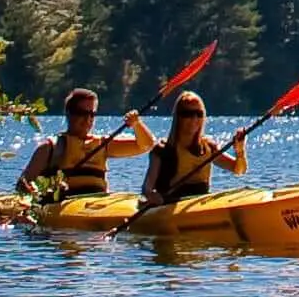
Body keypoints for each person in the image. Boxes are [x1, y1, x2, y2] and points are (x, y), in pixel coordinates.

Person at [16, 88, 149, 195]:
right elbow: (22, 184)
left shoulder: (102, 144)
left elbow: (146, 145)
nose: (87, 119)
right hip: (63, 204)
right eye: (81, 113)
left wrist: (137, 124)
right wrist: (31, 190)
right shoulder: (49, 147)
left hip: (98, 202)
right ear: (69, 113)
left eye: (92, 114)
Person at [140, 87, 252, 210]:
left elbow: (239, 170)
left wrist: (240, 151)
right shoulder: (162, 150)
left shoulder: (208, 147)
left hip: (199, 204)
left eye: (198, 114)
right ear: (178, 117)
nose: (194, 119)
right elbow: (147, 188)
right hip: (171, 205)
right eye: (188, 114)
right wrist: (152, 195)